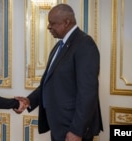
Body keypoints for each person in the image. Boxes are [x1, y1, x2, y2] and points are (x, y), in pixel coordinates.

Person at [15, 3, 103, 141]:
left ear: (66, 22)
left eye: (52, 23)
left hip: (72, 127)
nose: (48, 27)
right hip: (59, 125)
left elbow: (88, 92)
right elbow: (49, 82)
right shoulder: (59, 46)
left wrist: (77, 130)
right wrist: (29, 101)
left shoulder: (84, 44)